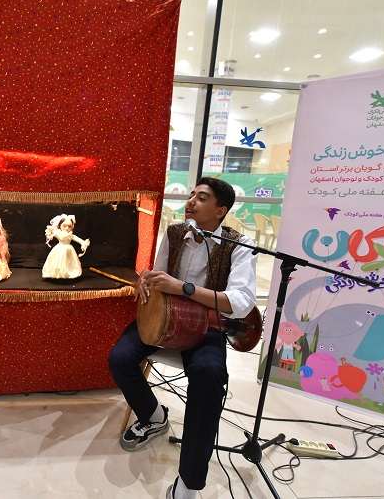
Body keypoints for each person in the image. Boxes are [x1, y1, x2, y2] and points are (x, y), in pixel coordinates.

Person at [108, 178, 257, 499]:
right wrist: (147, 280)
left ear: (220, 211)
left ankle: (189, 482)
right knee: (119, 358)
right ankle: (153, 416)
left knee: (210, 376)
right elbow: (158, 273)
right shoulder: (175, 233)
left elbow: (241, 302)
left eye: (201, 198)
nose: (190, 201)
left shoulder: (240, 245)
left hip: (207, 326)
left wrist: (184, 289)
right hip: (164, 318)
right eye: (191, 195)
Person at [41, 214, 90, 279]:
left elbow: (77, 239)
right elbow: (51, 233)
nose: (67, 228)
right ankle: (57, 273)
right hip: (59, 248)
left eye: (69, 226)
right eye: (64, 226)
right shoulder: (58, 233)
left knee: (69, 262)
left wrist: (83, 243)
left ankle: (68, 273)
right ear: (60, 225)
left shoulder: (71, 235)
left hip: (69, 249)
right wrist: (50, 231)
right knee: (57, 260)